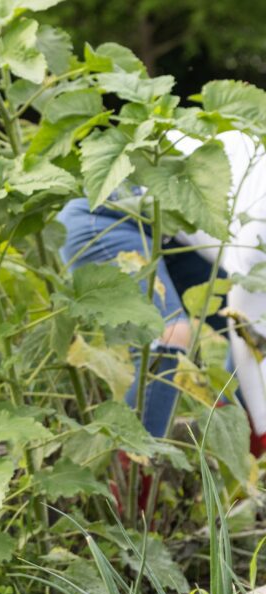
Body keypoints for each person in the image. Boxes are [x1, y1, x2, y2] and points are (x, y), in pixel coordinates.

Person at [58, 130, 266, 448]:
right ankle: (135, 470)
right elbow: (247, 330)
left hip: (176, 238)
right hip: (102, 220)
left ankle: (228, 450)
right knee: (169, 336)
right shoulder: (257, 236)